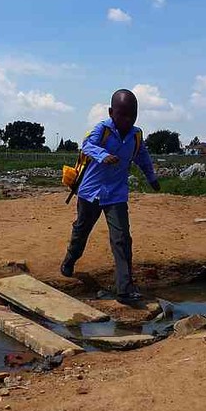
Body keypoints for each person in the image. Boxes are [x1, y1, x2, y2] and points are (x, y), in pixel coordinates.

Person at [60, 88, 160, 304]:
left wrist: (151, 177)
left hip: (116, 194)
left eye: (132, 115)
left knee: (122, 238)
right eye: (122, 114)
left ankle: (124, 287)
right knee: (81, 230)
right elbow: (87, 146)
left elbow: (142, 156)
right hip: (91, 192)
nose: (127, 119)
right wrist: (103, 155)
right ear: (111, 112)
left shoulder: (136, 135)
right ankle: (70, 259)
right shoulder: (102, 129)